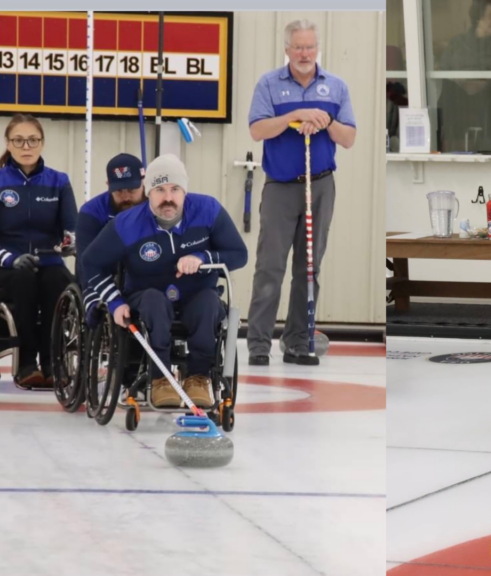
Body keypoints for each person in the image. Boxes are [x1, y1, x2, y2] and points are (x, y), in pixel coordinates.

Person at [81, 154, 248, 408]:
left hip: (197, 292)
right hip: (146, 294)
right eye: (159, 190)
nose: (167, 198)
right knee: (154, 302)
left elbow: (239, 254)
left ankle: (198, 378)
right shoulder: (127, 224)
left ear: (184, 191)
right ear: (148, 192)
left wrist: (203, 257)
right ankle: (161, 380)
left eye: (174, 189)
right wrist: (114, 302)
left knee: (208, 304)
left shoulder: (208, 210)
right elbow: (90, 262)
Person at [246, 19, 356, 366]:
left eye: (310, 47)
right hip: (280, 186)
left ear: (317, 48)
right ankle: (259, 345)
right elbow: (257, 129)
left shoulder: (336, 87)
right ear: (287, 50)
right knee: (270, 267)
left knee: (309, 268)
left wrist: (325, 119)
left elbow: (349, 138)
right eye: (299, 47)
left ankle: (297, 342)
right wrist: (294, 114)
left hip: (320, 184)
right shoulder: (269, 84)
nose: (305, 53)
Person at [0, 113, 77, 387]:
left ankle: (53, 363)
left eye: (32, 140)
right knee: (24, 279)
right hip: (5, 267)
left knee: (58, 282)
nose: (26, 146)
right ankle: (27, 362)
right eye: (19, 140)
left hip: (49, 263)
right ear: (8, 143)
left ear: (42, 143)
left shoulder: (59, 182)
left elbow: (72, 228)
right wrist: (10, 258)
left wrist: (69, 243)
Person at [436, 0, 491, 153]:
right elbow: (443, 70)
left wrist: (480, 84)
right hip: (459, 93)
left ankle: (490, 147)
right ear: (478, 17)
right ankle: (443, 146)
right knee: (447, 91)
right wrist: (462, 82)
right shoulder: (457, 43)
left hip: (487, 94)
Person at [75, 153, 146, 286]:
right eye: (119, 191)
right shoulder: (91, 212)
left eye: (131, 190)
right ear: (108, 185)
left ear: (144, 182)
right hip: (105, 278)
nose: (126, 198)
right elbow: (85, 263)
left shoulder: (157, 207)